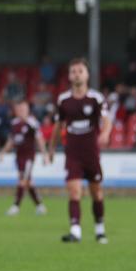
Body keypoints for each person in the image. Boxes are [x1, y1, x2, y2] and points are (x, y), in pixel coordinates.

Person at [47, 58, 112, 244]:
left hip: (91, 153)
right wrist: (51, 148)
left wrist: (106, 133)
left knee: (96, 192)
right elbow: (58, 126)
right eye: (73, 71)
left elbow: (106, 120)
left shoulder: (96, 98)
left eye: (80, 71)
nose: (77, 74)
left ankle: (100, 229)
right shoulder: (63, 100)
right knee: (74, 191)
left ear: (87, 74)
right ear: (69, 76)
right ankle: (75, 231)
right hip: (72, 153)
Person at [0, 101, 47, 216]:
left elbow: (39, 139)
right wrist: (3, 152)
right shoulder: (14, 123)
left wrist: (44, 154)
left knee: (22, 180)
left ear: (27, 110)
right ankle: (40, 206)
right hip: (19, 156)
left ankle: (16, 206)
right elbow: (11, 140)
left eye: (23, 109)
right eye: (19, 109)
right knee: (28, 182)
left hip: (29, 157)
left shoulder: (32, 123)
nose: (21, 111)